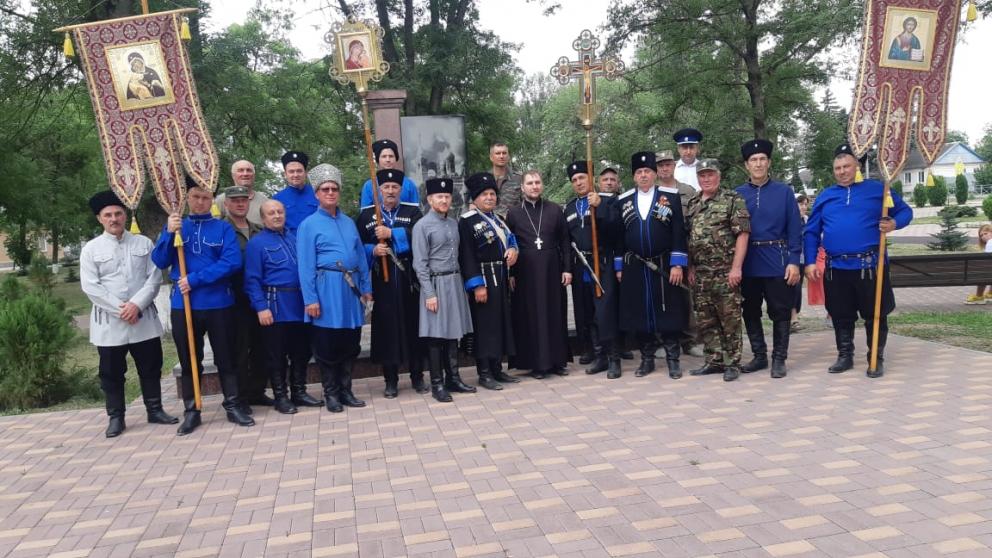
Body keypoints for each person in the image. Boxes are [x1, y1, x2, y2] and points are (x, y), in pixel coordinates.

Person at [152, 177, 254, 435]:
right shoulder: (177, 226)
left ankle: (232, 404)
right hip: (183, 304)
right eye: (195, 197)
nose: (200, 202)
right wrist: (167, 231)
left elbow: (232, 262)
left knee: (226, 357)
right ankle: (192, 409)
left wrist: (195, 279)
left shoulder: (222, 228)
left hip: (219, 301)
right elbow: (160, 260)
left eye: (205, 197)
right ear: (187, 198)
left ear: (212, 200)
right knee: (189, 359)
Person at [804, 143, 913, 378]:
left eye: (846, 166)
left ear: (856, 167)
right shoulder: (826, 196)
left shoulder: (878, 190)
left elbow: (905, 212)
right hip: (836, 267)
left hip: (870, 266)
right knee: (841, 314)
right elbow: (811, 231)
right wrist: (811, 262)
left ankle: (876, 357)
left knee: (875, 314)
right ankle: (845, 355)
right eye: (838, 168)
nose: (842, 171)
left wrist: (894, 223)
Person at [80, 191, 178, 438]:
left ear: (125, 215)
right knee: (112, 373)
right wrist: (121, 308)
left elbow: (154, 278)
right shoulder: (91, 249)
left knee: (151, 366)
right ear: (99, 219)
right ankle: (116, 417)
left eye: (118, 213)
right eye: (108, 215)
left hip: (143, 318)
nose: (114, 219)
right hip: (110, 322)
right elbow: (91, 286)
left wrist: (136, 305)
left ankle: (155, 409)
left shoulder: (143, 243)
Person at [297, 163, 373, 411]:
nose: (330, 193)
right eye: (325, 189)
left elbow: (360, 257)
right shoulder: (308, 225)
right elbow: (306, 266)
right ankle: (331, 393)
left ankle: (346, 390)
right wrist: (311, 299)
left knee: (350, 343)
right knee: (327, 345)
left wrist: (366, 287)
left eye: (334, 189)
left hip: (350, 291)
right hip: (326, 289)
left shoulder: (349, 222)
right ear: (317, 194)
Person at [244, 200, 323, 414]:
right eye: (271, 213)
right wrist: (261, 307)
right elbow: (252, 280)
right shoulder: (256, 244)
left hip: (300, 304)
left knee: (301, 351)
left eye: (280, 211)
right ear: (263, 218)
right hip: (275, 306)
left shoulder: (294, 237)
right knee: (276, 355)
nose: (277, 216)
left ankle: (299, 391)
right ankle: (281, 396)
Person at [618, 151, 690, 379]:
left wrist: (678, 263)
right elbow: (619, 236)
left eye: (647, 171)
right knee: (639, 312)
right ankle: (647, 359)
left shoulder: (670, 196)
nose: (643, 175)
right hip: (635, 265)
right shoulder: (624, 200)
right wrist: (619, 265)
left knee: (668, 310)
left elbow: (679, 231)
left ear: (655, 173)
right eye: (639, 172)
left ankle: (673, 360)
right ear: (633, 176)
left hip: (664, 263)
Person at [357, 169, 428, 398]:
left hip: (408, 279)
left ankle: (417, 375)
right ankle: (390, 380)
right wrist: (373, 250)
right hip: (382, 282)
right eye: (385, 187)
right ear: (378, 190)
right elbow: (358, 248)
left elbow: (419, 236)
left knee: (413, 327)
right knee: (387, 329)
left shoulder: (412, 211)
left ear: (400, 189)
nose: (390, 191)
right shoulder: (367, 216)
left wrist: (392, 232)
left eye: (394, 187)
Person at [735, 139, 802, 379]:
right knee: (750, 310)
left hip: (777, 260)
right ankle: (760, 355)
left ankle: (779, 359)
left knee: (780, 311)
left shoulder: (784, 192)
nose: (758, 163)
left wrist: (794, 261)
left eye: (762, 159)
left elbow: (795, 229)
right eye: (754, 160)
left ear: (769, 162)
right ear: (747, 165)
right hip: (749, 261)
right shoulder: (737, 194)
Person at [686, 160, 751, 382]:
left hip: (725, 271)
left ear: (719, 176)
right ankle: (714, 360)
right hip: (701, 273)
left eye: (710, 174)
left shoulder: (732, 199)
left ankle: (733, 362)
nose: (706, 179)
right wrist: (691, 266)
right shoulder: (693, 202)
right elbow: (689, 237)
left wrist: (736, 267)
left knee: (729, 319)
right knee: (706, 320)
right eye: (702, 175)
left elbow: (742, 234)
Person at [412, 178, 475, 402]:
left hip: (454, 282)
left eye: (447, 196)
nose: (444, 200)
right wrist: (429, 293)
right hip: (435, 284)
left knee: (453, 334)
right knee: (436, 337)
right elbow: (419, 263)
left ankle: (453, 378)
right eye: (439, 197)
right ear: (430, 200)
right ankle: (437, 384)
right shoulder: (422, 226)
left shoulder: (453, 224)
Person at [506, 170, 572, 379]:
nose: (534, 186)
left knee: (554, 313)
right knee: (531, 316)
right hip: (526, 272)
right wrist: (511, 273)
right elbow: (511, 244)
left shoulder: (554, 210)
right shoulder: (514, 213)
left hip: (552, 270)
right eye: (530, 183)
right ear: (523, 187)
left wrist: (567, 269)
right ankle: (536, 363)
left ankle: (558, 361)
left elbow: (565, 242)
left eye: (537, 182)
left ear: (541, 185)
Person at [563, 162, 624, 378]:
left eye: (582, 177)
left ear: (590, 178)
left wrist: (599, 207)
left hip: (603, 262)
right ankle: (600, 357)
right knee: (587, 312)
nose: (579, 182)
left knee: (605, 312)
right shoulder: (569, 207)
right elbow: (567, 241)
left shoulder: (608, 201)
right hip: (582, 265)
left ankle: (614, 358)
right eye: (574, 180)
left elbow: (617, 231)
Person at [459, 172, 520, 385]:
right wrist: (477, 285)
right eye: (484, 194)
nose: (489, 198)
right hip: (483, 279)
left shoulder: (499, 219)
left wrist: (513, 250)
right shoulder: (467, 221)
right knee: (485, 326)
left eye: (492, 193)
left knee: (500, 323)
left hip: (501, 278)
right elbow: (466, 255)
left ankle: (497, 369)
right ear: (475, 198)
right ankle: (484, 373)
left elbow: (511, 240)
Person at [222, 186, 270, 409]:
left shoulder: (260, 230)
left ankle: (257, 391)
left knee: (261, 347)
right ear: (226, 204)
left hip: (261, 296)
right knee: (239, 350)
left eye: (244, 200)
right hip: (236, 297)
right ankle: (239, 397)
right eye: (235, 201)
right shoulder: (221, 229)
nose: (240, 204)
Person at [657, 149, 704, 358]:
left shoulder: (688, 191)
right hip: (659, 251)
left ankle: (689, 339)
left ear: (674, 166)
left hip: (684, 248)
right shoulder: (652, 192)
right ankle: (662, 340)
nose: (665, 168)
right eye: (660, 165)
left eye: (668, 164)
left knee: (686, 295)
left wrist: (692, 257)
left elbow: (696, 223)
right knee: (662, 296)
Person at [359, 139, 420, 208]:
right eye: (384, 156)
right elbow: (365, 214)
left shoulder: (409, 184)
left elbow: (416, 212)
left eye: (391, 156)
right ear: (378, 159)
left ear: (395, 158)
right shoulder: (369, 186)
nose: (388, 160)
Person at [273, 151, 317, 235]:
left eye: (299, 171)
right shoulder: (277, 199)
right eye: (291, 171)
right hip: (291, 245)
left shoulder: (318, 193)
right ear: (285, 174)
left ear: (306, 172)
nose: (296, 175)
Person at [216, 160, 270, 226]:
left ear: (254, 175)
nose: (245, 174)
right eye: (240, 170)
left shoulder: (265, 201)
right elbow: (213, 226)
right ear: (233, 175)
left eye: (249, 170)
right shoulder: (221, 200)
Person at [490, 142, 523, 219]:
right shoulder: (483, 179)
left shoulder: (520, 178)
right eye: (498, 153)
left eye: (504, 153)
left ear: (508, 156)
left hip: (513, 226)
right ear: (491, 157)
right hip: (489, 226)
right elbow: (474, 205)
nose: (501, 156)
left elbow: (528, 205)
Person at [965, 224, 992, 304]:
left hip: (988, 271)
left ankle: (979, 296)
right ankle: (990, 294)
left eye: (985, 233)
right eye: (981, 235)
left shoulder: (990, 242)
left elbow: (987, 262)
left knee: (983, 272)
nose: (983, 236)